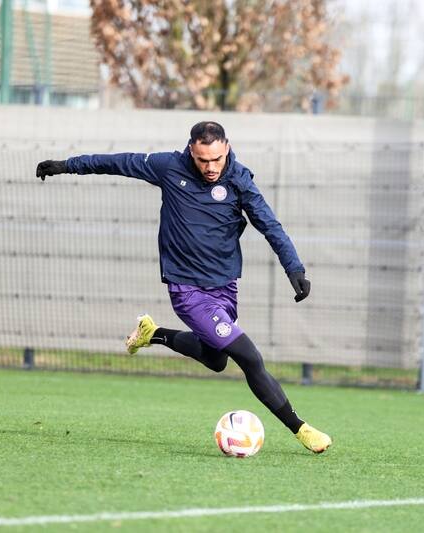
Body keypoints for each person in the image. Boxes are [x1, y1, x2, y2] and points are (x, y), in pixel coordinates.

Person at [36, 121, 331, 453]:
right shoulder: (169, 167)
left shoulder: (239, 180)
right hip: (187, 290)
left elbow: (270, 226)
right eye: (203, 160)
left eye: (217, 159)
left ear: (227, 148)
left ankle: (153, 334)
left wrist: (294, 267)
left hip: (224, 287)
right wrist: (66, 165)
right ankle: (300, 428)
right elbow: (116, 162)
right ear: (192, 150)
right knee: (249, 357)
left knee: (216, 360)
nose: (210, 167)